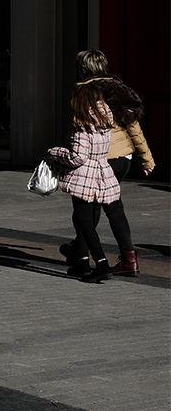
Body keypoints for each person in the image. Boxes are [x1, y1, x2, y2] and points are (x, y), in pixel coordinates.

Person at [60, 50, 156, 277]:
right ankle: (128, 258)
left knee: (86, 209)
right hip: (124, 159)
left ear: (83, 68)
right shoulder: (119, 89)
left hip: (99, 158)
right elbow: (134, 126)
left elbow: (79, 129)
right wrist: (146, 158)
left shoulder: (86, 91)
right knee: (114, 208)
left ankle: (82, 255)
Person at [46, 84, 119, 284]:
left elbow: (77, 157)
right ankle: (82, 262)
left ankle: (101, 262)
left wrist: (54, 152)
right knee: (83, 220)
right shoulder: (104, 120)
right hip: (102, 173)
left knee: (84, 222)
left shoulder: (82, 125)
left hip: (84, 177)